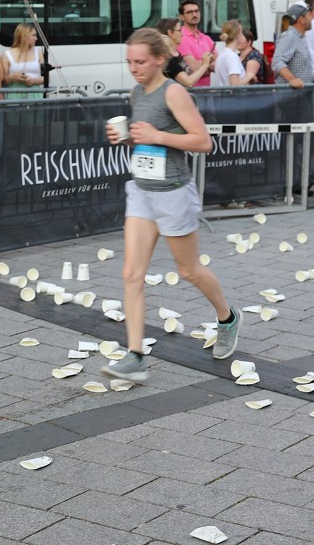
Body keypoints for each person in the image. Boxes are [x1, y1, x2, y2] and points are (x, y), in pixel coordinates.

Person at [101, 28, 239, 382]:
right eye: (129, 62)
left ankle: (227, 317)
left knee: (189, 270)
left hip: (174, 192)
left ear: (160, 59)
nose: (134, 68)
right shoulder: (136, 93)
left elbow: (203, 142)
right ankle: (135, 356)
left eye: (141, 62)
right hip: (142, 191)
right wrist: (128, 136)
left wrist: (157, 136)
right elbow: (145, 140)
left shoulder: (174, 92)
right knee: (131, 273)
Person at [155, 18, 210, 87]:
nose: (182, 34)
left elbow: (187, 72)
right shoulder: (168, 58)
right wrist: (204, 65)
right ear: (170, 33)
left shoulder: (176, 53)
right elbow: (188, 82)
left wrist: (203, 62)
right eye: (179, 31)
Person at [271, 2, 312, 89]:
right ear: (301, 19)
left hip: (299, 94)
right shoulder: (289, 36)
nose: (312, 18)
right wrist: (292, 80)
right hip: (290, 95)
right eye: (309, 15)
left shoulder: (299, 37)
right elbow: (277, 61)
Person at [177, 0, 216, 87]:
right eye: (190, 12)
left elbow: (218, 65)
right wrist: (208, 63)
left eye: (196, 11)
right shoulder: (180, 38)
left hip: (207, 92)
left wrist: (204, 65)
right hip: (190, 94)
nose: (194, 14)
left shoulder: (206, 38)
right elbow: (194, 69)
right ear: (182, 16)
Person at [2, 23, 44, 100]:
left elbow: (46, 78)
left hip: (35, 96)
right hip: (15, 96)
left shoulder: (38, 52)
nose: (36, 38)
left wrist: (33, 80)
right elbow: (3, 80)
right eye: (33, 35)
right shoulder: (7, 54)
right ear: (24, 36)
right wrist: (13, 77)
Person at [211, 19, 249, 87]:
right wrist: (250, 76)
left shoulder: (222, 54)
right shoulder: (232, 56)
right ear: (238, 34)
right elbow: (235, 85)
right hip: (233, 97)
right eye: (241, 32)